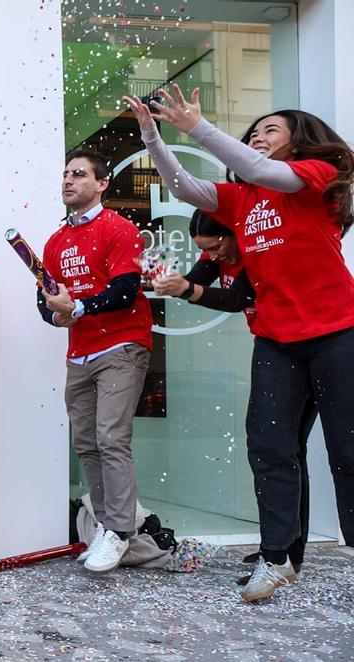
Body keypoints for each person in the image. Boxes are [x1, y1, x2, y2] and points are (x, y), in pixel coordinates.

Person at [125, 85, 354, 601]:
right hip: (275, 340)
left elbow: (264, 171)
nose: (258, 137)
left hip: (338, 334)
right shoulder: (240, 199)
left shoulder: (314, 178)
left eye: (270, 129)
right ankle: (277, 558)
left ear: (300, 141)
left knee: (348, 452)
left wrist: (196, 127)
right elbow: (181, 187)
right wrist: (151, 136)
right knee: (270, 448)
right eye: (254, 132)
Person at [153, 210, 318, 582]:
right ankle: (283, 546)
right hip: (273, 344)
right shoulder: (217, 253)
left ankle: (288, 549)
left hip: (304, 349)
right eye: (205, 251)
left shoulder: (254, 248)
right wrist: (169, 278)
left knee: (286, 449)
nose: (214, 258)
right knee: (282, 450)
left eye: (217, 249)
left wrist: (188, 290)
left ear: (234, 234)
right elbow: (196, 281)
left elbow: (234, 298)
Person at [37, 148, 153, 574]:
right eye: (65, 174)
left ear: (102, 184)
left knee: (111, 438)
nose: (68, 181)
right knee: (86, 443)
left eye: (79, 174)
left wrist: (78, 307)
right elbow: (44, 302)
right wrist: (58, 313)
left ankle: (121, 532)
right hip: (79, 353)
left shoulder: (120, 229)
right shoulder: (54, 241)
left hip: (121, 346)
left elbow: (125, 289)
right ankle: (107, 527)